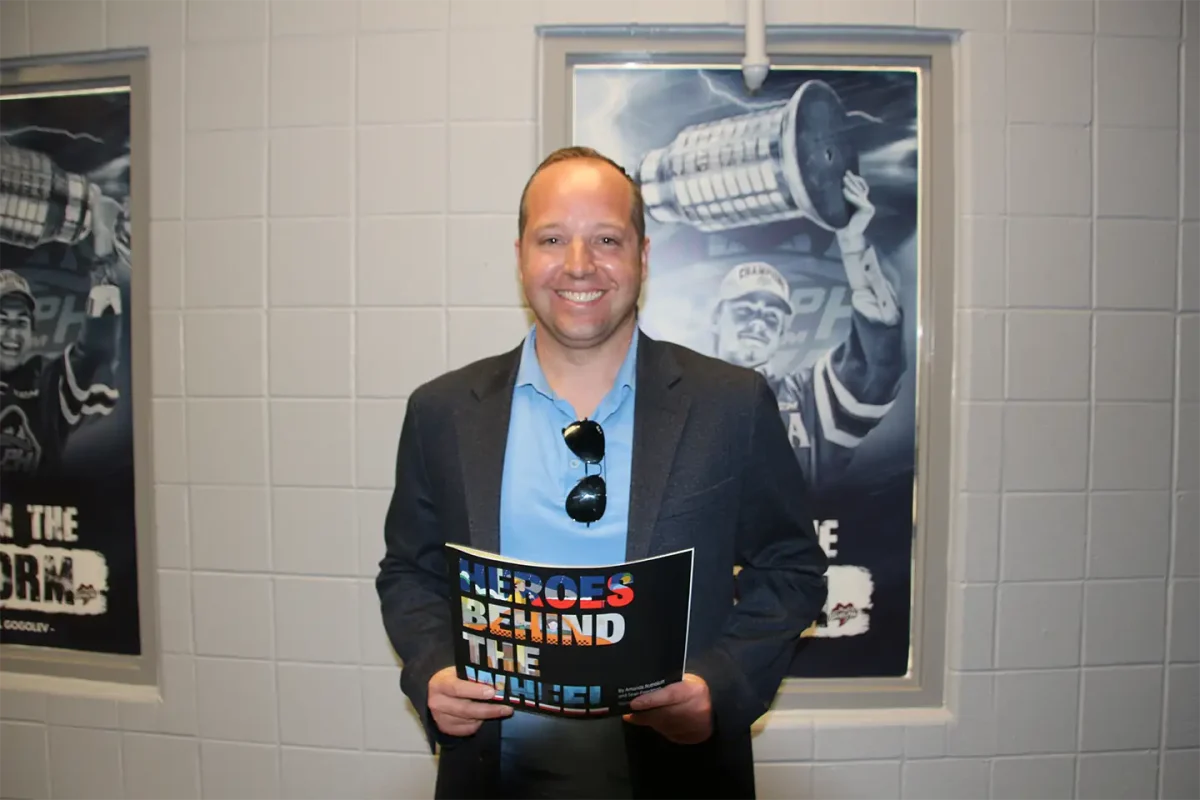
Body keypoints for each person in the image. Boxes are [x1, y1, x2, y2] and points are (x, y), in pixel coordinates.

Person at [375, 146, 828, 799]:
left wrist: (720, 686)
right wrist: (432, 669)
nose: (579, 264)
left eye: (607, 239)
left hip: (678, 779)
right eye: (552, 239)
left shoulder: (730, 404)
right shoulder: (442, 412)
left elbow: (791, 570)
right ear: (521, 257)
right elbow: (410, 573)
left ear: (643, 256)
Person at [710, 171, 907, 493]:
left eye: (770, 317)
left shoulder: (807, 400)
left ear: (782, 332)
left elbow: (877, 362)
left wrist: (853, 245)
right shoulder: (677, 401)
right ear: (716, 318)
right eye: (744, 310)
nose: (757, 323)